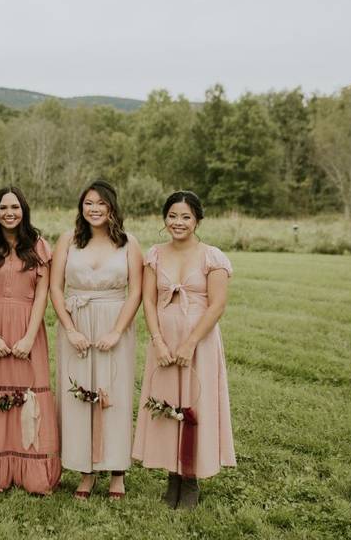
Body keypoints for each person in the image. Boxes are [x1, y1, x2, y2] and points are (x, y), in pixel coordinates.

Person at [132, 191, 236, 509]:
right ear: (165, 219)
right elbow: (148, 300)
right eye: (173, 216)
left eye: (186, 217)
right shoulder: (154, 255)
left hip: (198, 344)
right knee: (166, 405)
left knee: (195, 404)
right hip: (163, 343)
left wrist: (190, 343)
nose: (178, 222)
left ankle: (191, 478)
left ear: (197, 220)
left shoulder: (211, 256)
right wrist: (158, 341)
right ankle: (172, 476)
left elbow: (217, 305)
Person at [0, 186, 60, 495]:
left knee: (29, 394)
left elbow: (43, 293)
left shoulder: (40, 247)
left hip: (27, 327)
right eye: (3, 207)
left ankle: (29, 468)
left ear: (24, 210)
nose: (9, 213)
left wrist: (30, 336)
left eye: (15, 207)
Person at [50, 180, 142, 500]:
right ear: (81, 207)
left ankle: (117, 470)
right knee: (78, 395)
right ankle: (85, 470)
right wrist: (70, 328)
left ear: (112, 207)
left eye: (100, 203)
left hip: (114, 322)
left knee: (113, 393)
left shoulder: (129, 243)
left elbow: (137, 292)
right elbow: (55, 289)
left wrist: (117, 330)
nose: (94, 209)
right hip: (76, 324)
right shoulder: (68, 240)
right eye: (88, 203)